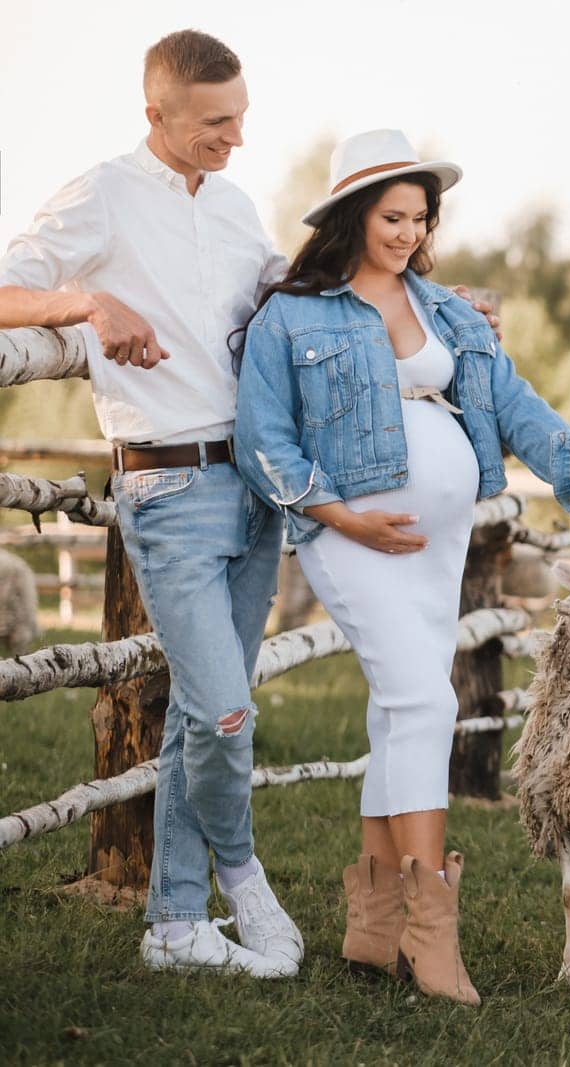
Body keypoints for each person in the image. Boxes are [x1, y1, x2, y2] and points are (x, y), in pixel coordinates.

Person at [232, 128, 570, 1006]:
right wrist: (338, 512)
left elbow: (514, 404)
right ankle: (432, 930)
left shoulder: (451, 310)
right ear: (351, 213)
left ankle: (374, 926)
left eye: (420, 219)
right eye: (392, 216)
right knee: (427, 699)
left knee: (400, 710)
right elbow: (261, 436)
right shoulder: (292, 313)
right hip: (349, 534)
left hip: (438, 539)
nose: (408, 234)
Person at [0, 30, 305, 978]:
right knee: (224, 711)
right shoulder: (102, 194)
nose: (236, 138)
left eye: (242, 118)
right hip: (168, 485)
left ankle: (174, 922)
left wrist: (418, 298)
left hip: (253, 484)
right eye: (217, 122)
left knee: (195, 713)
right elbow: (8, 289)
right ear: (156, 116)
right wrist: (89, 304)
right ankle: (241, 870)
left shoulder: (239, 203)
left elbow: (286, 299)